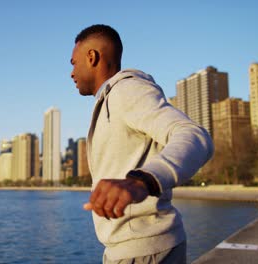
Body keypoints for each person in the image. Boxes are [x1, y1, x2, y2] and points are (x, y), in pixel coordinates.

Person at [70, 24, 214, 263]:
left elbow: (194, 136)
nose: (72, 73)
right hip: (132, 250)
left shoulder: (127, 91)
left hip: (145, 251)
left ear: (92, 57)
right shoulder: (109, 99)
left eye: (73, 63)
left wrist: (142, 181)